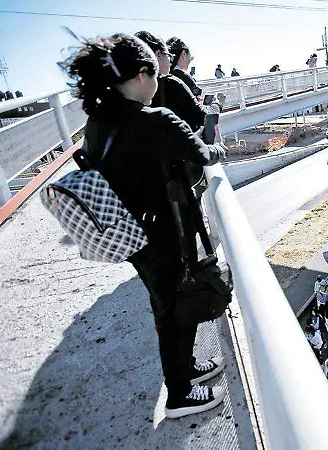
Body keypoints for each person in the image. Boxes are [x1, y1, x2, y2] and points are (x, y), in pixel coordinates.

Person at [60, 32, 227, 419]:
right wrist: (216, 135)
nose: (156, 85)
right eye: (152, 74)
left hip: (130, 235)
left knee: (164, 305)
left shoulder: (96, 125)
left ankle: (185, 371)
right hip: (166, 233)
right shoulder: (155, 119)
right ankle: (180, 395)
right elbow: (204, 153)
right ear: (139, 75)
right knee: (176, 309)